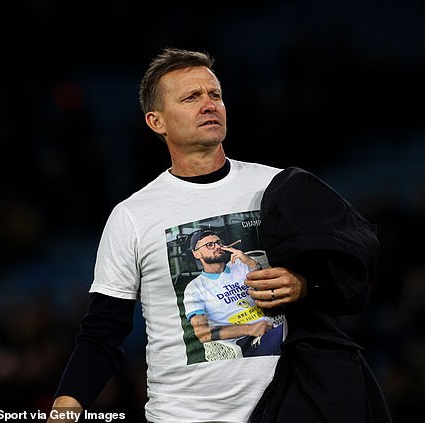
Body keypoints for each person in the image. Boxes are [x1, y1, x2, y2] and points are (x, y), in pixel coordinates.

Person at [47, 48, 307, 423]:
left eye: (214, 94)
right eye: (191, 97)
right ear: (157, 122)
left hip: (288, 409)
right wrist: (66, 409)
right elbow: (103, 331)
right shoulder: (132, 217)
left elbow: (333, 277)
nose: (209, 104)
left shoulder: (277, 186)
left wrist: (303, 284)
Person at [184, 229, 284, 357]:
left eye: (218, 242)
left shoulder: (240, 265)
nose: (217, 246)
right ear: (196, 254)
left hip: (273, 326)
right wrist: (249, 329)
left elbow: (270, 294)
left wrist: (251, 263)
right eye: (209, 245)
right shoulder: (195, 288)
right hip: (245, 343)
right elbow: (202, 333)